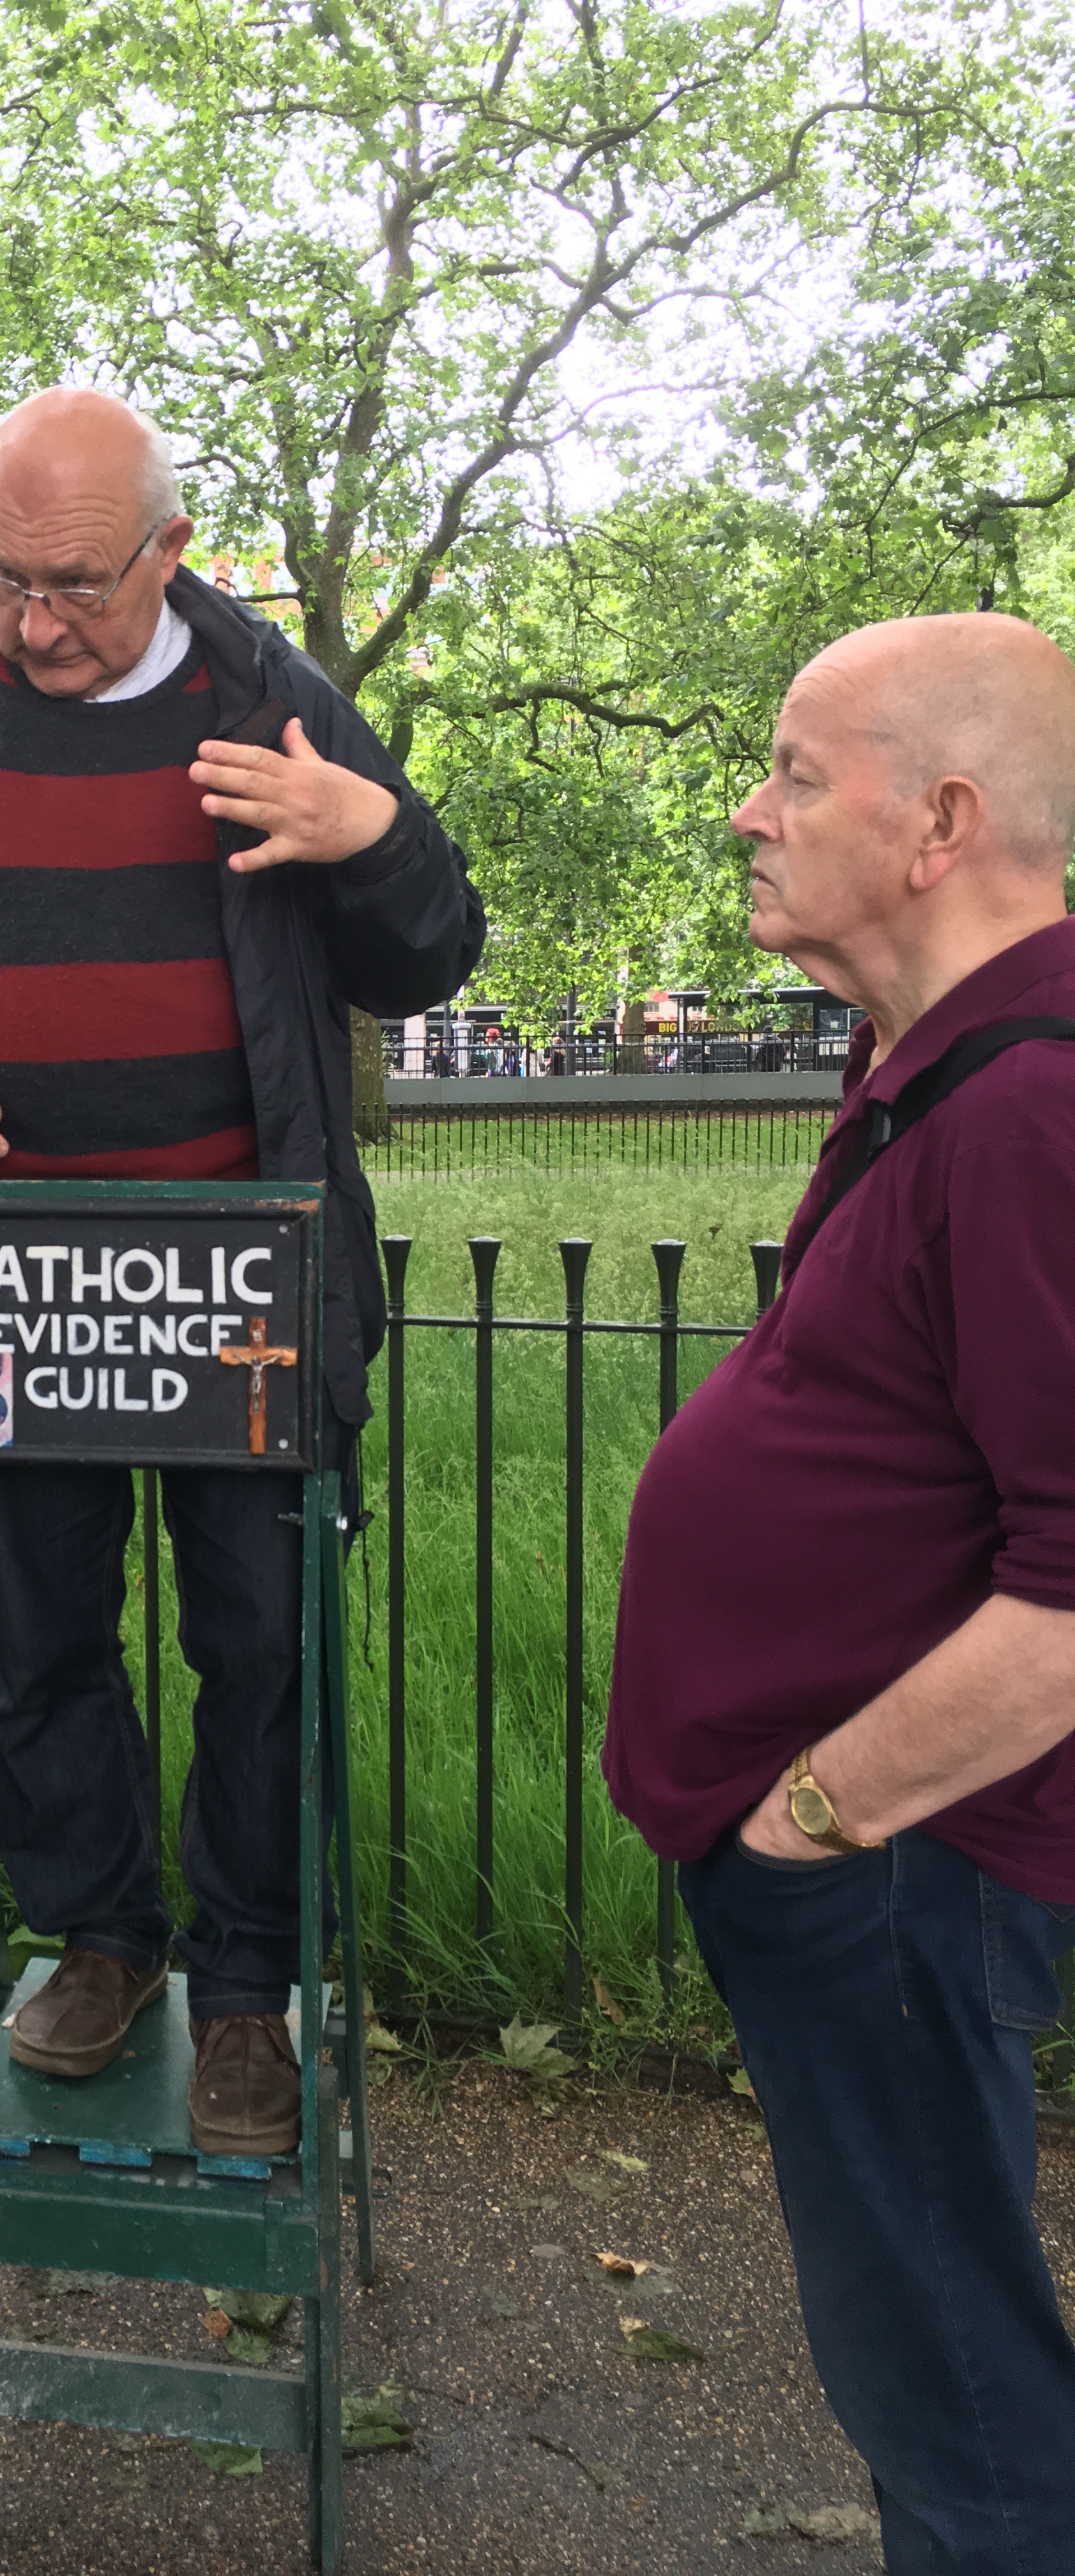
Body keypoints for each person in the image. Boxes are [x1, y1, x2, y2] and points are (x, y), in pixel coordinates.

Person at [0, 387, 483, 2154]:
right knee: (40, 1648)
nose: (36, 623)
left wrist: (373, 835)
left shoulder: (269, 701)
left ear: (172, 549)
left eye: (77, 584)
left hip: (241, 1283)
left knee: (262, 1650)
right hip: (5, 1288)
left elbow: (430, 957)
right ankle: (98, 1942)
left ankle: (244, 1994)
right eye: (5, 578)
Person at [603, 612, 1075, 2572]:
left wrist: (813, 1816)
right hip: (872, 1873)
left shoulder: (1031, 1111)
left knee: (954, 2389)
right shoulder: (933, 1068)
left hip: (898, 1873)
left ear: (939, 824)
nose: (751, 811)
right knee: (913, 2356)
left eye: (798, 774)